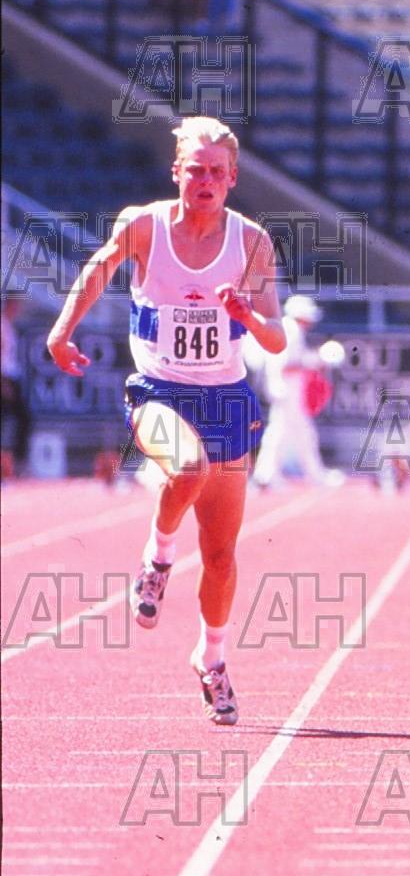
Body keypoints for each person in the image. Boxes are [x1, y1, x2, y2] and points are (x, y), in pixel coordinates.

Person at [46, 117, 285, 725]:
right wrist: (62, 331)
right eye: (194, 170)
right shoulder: (144, 226)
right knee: (186, 468)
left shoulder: (252, 242)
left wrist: (246, 316)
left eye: (216, 172)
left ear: (232, 178)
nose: (205, 181)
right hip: (160, 389)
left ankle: (212, 658)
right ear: (176, 172)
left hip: (226, 398)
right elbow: (98, 270)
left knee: (222, 555)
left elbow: (276, 336)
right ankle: (156, 559)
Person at [249, 293, 339, 487]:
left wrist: (313, 360)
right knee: (295, 433)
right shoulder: (291, 331)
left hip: (285, 387)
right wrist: (316, 360)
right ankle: (312, 475)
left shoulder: (288, 329)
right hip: (286, 387)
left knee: (285, 432)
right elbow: (287, 365)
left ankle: (266, 475)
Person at [1, 292, 31, 478]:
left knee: (20, 419)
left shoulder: (9, 325)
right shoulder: (2, 326)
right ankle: (14, 462)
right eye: (16, 304)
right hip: (5, 377)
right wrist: (3, 383)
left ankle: (12, 461)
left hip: (10, 376)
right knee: (21, 418)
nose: (18, 309)